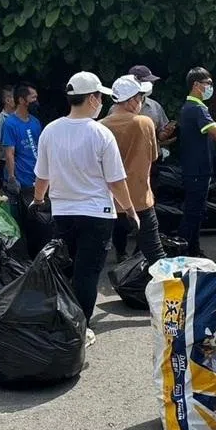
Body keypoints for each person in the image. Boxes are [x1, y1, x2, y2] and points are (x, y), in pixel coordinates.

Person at [33, 72, 137, 346]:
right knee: (87, 273)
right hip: (96, 214)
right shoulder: (101, 133)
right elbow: (115, 181)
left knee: (66, 268)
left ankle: (64, 320)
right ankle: (81, 326)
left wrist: (39, 198)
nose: (101, 101)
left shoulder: (50, 130)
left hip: (62, 213)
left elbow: (41, 176)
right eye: (100, 97)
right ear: (91, 99)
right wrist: (130, 209)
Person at [101, 75, 166, 265]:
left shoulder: (100, 126)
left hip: (109, 201)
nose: (141, 101)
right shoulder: (144, 123)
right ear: (131, 101)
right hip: (140, 200)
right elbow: (153, 156)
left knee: (96, 256)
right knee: (155, 254)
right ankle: (161, 292)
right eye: (140, 97)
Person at [177, 67, 216, 257]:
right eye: (207, 84)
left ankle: (193, 250)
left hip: (196, 168)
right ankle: (184, 252)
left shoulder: (193, 107)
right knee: (193, 213)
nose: (210, 88)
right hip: (197, 170)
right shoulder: (197, 108)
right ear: (196, 85)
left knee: (196, 211)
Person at [1, 83, 43, 252]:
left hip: (36, 177)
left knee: (38, 219)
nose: (36, 101)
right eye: (33, 97)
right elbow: (9, 153)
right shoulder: (10, 124)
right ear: (21, 100)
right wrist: (12, 178)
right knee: (23, 220)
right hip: (21, 179)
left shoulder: (35, 122)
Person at [129, 65, 177, 151]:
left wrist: (165, 134)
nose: (151, 85)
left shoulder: (155, 106)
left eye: (152, 82)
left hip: (152, 158)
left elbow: (161, 135)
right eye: (148, 82)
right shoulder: (118, 108)